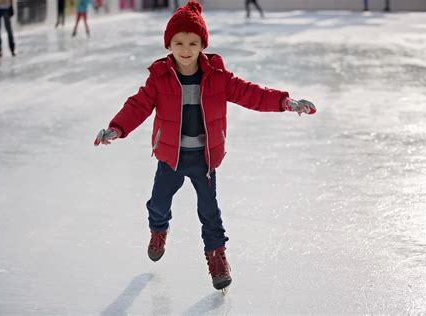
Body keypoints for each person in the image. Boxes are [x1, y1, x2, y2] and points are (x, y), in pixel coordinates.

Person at [94, 1, 316, 291]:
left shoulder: (218, 78)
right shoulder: (159, 78)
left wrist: (286, 102)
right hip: (170, 158)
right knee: (158, 205)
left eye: (193, 43)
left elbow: (252, 94)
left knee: (210, 211)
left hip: (204, 158)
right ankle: (158, 230)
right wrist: (116, 128)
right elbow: (138, 106)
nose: (185, 49)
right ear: (169, 45)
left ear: (202, 45)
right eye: (179, 42)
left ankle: (217, 257)